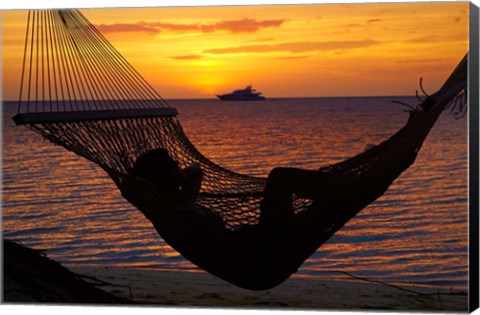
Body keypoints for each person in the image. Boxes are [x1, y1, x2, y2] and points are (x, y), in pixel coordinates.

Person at [132, 149, 203, 202]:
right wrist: (179, 179)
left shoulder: (180, 202)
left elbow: (196, 171)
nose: (177, 163)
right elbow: (196, 171)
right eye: (172, 163)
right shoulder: (181, 206)